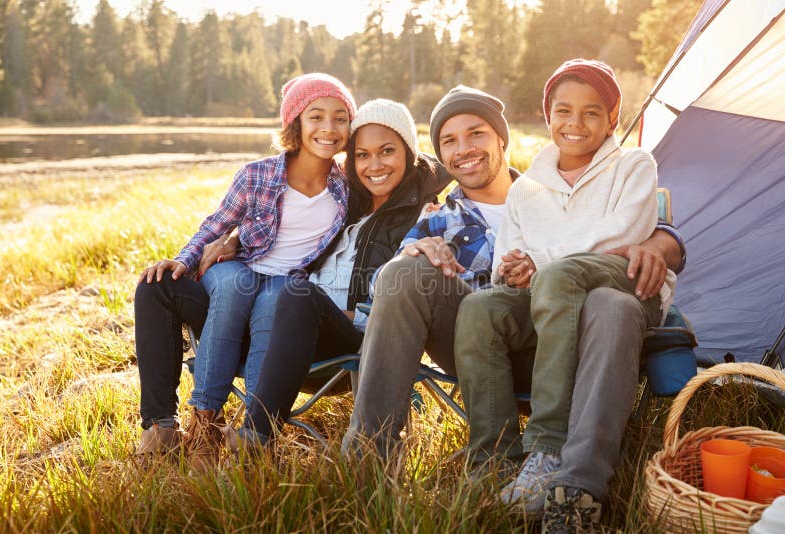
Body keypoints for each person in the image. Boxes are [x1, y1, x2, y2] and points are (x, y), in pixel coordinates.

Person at [340, 85, 686, 467]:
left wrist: (664, 239)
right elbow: (384, 290)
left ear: (501, 139)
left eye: (476, 133)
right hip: (482, 352)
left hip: (578, 340)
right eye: (449, 141)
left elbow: (636, 227)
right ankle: (368, 458)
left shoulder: (553, 188)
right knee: (404, 274)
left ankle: (567, 466)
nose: (464, 149)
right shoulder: (437, 218)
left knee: (600, 300)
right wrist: (411, 254)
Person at [453, 59, 676, 532]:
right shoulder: (527, 186)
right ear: (548, 114)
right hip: (550, 294)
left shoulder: (633, 164)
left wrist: (544, 260)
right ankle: (493, 460)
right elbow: (505, 262)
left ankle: (549, 444)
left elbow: (626, 232)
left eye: (592, 112)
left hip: (623, 279)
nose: (576, 123)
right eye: (564, 111)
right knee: (480, 307)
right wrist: (514, 268)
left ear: (613, 117)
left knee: (558, 278)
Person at [133, 73, 356, 467]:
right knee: (172, 285)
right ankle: (189, 425)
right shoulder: (258, 174)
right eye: (316, 116)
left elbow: (403, 161)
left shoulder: (347, 189)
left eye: (341, 118)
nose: (329, 128)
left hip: (286, 290)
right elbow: (215, 225)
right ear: (296, 123)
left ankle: (254, 437)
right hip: (237, 273)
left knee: (277, 297)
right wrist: (185, 260)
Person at [237, 99, 450, 446]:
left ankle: (257, 435)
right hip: (291, 330)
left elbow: (402, 307)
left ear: (408, 152)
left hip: (357, 341)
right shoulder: (344, 200)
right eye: (362, 155)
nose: (374, 165)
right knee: (202, 291)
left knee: (296, 293)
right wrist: (230, 240)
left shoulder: (426, 215)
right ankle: (192, 421)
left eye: (387, 151)